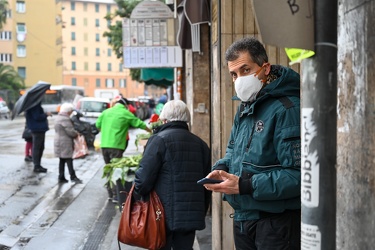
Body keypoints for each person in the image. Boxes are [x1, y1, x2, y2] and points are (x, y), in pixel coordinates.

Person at [204, 37, 301, 250]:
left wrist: (245, 185)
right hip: (243, 217)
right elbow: (233, 149)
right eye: (234, 74)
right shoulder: (246, 108)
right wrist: (222, 168)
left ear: (265, 68)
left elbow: (299, 175)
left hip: (277, 223)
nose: (239, 79)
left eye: (245, 70)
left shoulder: (287, 109)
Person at [134, 100, 212, 250]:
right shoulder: (201, 145)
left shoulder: (159, 140)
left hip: (161, 215)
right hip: (191, 215)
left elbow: (143, 180)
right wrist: (201, 211)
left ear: (164, 119)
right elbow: (206, 184)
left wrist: (137, 198)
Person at [96, 96, 152, 202]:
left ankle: (110, 193)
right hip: (116, 145)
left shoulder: (106, 112)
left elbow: (97, 124)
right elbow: (138, 123)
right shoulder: (125, 113)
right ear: (125, 106)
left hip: (104, 144)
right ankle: (116, 194)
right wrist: (150, 131)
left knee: (108, 168)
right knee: (116, 170)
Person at [54, 103, 81, 183]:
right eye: (71, 111)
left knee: (62, 159)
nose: (71, 112)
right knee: (69, 159)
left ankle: (61, 176)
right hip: (64, 142)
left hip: (59, 140)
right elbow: (70, 132)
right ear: (68, 111)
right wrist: (76, 134)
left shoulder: (59, 117)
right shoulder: (65, 119)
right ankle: (73, 176)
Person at [25, 102, 52, 173]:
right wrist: (46, 114)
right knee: (37, 147)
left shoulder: (32, 104)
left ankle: (38, 165)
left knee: (40, 147)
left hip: (38, 129)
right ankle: (37, 166)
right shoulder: (34, 105)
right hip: (38, 129)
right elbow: (37, 117)